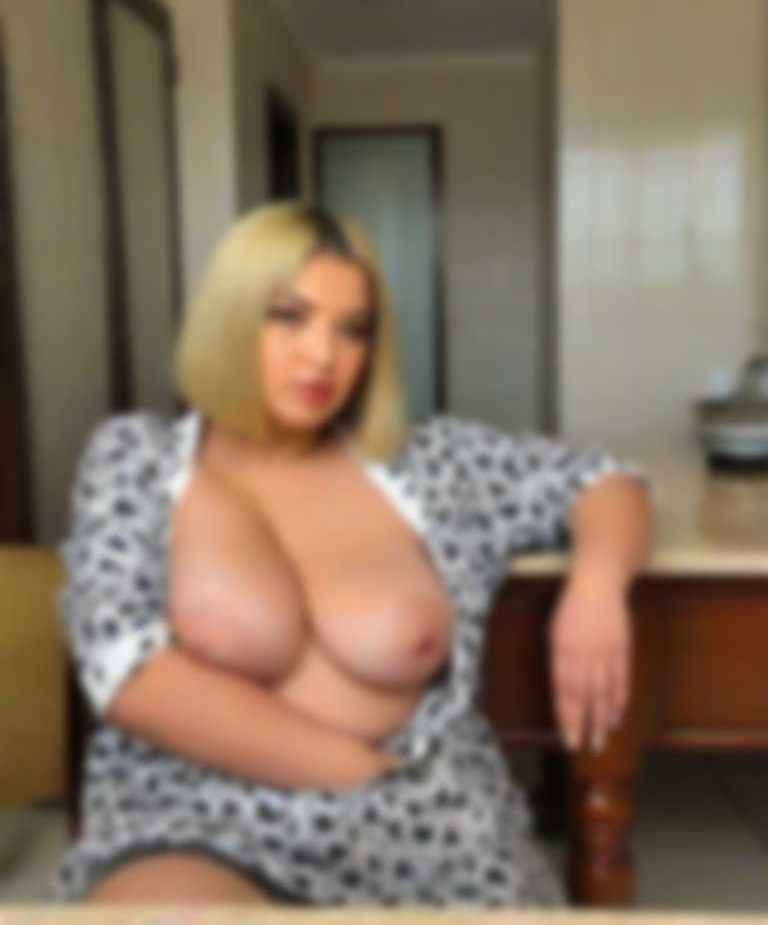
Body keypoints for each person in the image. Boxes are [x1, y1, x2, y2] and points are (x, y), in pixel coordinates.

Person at [50, 201, 653, 907]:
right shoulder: (138, 459)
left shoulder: (424, 462)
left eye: (352, 329)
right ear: (230, 318)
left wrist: (596, 589)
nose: (322, 356)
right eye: (289, 317)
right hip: (199, 819)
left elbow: (603, 479)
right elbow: (124, 671)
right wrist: (365, 776)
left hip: (430, 823)